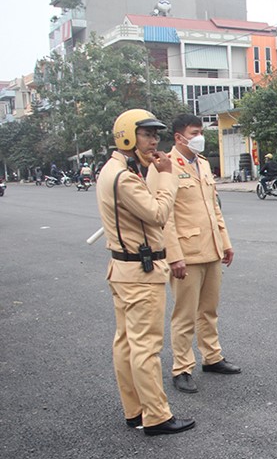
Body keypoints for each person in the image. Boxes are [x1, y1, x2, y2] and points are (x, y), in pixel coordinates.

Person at [95, 108, 194, 436]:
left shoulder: (115, 169)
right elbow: (157, 214)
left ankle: (134, 409)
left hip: (123, 269)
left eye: (155, 135)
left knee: (125, 343)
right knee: (145, 347)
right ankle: (156, 416)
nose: (154, 141)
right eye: (147, 134)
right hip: (140, 271)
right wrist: (166, 176)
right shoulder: (124, 177)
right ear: (127, 135)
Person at [155, 114, 240, 395]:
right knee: (184, 315)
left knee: (209, 310)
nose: (200, 136)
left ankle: (212, 357)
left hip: (211, 249)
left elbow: (214, 208)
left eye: (201, 131)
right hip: (186, 254)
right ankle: (181, 368)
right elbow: (164, 217)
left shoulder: (203, 164)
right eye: (195, 132)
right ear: (179, 137)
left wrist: (225, 242)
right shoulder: (164, 167)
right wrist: (174, 255)